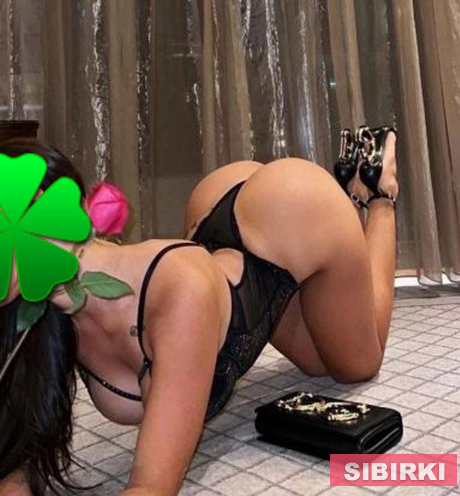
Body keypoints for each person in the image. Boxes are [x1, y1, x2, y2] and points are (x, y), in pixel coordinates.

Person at [0, 127, 398, 496]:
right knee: (316, 364)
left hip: (298, 208)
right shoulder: (37, 315)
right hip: (226, 219)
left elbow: (151, 489)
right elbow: (19, 465)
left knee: (356, 365)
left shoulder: (177, 292)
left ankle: (377, 191)